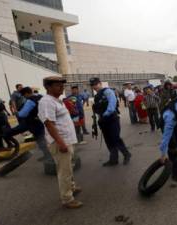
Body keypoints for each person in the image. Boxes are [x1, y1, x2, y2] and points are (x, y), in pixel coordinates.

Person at [38, 76, 83, 209]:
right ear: (48, 87)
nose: (61, 87)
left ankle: (72, 187)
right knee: (64, 171)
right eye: (58, 85)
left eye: (62, 85)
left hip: (67, 140)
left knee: (69, 166)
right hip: (60, 142)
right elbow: (49, 124)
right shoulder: (46, 102)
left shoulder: (57, 100)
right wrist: (60, 143)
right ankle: (67, 199)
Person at [90, 77, 132, 167]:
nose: (94, 86)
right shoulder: (97, 96)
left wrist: (104, 116)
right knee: (108, 140)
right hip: (103, 121)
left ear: (100, 84)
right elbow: (98, 109)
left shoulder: (107, 91)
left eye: (96, 84)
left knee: (116, 139)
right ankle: (113, 159)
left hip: (112, 119)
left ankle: (127, 154)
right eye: (92, 85)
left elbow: (112, 105)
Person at [14, 87, 51, 161]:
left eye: (24, 95)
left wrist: (17, 113)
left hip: (35, 123)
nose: (24, 97)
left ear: (27, 93)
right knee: (44, 138)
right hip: (44, 120)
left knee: (40, 140)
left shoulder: (30, 100)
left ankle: (48, 156)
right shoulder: (41, 96)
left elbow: (23, 114)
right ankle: (49, 154)